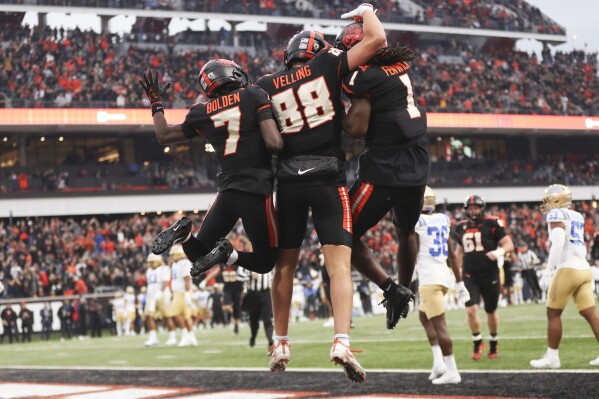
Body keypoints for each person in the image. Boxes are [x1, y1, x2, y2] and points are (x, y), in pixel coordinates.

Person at [255, 3, 386, 383]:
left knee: (285, 266)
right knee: (338, 266)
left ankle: (280, 341)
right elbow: (377, 39)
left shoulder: (265, 85)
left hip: (288, 184)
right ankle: (341, 341)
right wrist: (366, 11)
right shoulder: (329, 62)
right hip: (327, 178)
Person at [140, 60, 283, 277]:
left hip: (227, 192)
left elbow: (164, 135)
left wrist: (156, 102)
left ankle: (185, 234)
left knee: (199, 255)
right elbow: (274, 143)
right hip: (256, 189)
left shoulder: (201, 112)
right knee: (266, 262)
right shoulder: (254, 95)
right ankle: (227, 255)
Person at [337, 19, 430, 330]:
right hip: (417, 165)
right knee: (405, 231)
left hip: (385, 169)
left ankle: (392, 289)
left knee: (338, 231)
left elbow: (356, 128)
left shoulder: (363, 76)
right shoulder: (398, 66)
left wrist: (334, 109)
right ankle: (405, 287)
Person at [530, 184, 599, 368]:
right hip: (584, 268)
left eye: (548, 199)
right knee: (590, 313)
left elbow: (558, 242)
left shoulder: (556, 214)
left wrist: (548, 269)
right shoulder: (577, 215)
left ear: (557, 199)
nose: (546, 203)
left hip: (567, 268)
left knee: (553, 313)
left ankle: (552, 357)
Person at [414, 187, 470, 384]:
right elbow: (452, 254)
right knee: (423, 315)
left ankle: (452, 370)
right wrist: (459, 281)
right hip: (443, 277)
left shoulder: (418, 222)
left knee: (440, 326)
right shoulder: (442, 219)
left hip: (430, 279)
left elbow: (412, 253)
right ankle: (438, 361)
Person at [453, 195, 514, 360]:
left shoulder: (492, 223)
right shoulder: (460, 227)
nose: (474, 211)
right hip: (469, 274)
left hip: (490, 274)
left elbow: (509, 244)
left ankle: (493, 341)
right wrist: (457, 271)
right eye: (471, 208)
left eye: (476, 207)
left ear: (482, 208)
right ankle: (477, 341)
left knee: (490, 310)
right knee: (471, 309)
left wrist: (499, 251)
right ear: (466, 210)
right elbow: (459, 251)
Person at [165, 245, 197, 347]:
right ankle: (189, 336)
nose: (172, 257)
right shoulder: (175, 264)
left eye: (173, 255)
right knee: (184, 315)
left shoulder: (184, 263)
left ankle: (187, 335)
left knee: (179, 314)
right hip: (176, 293)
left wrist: (187, 294)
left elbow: (186, 279)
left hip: (183, 292)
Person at [144, 253, 170, 346]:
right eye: (150, 262)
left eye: (153, 261)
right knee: (148, 316)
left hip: (162, 295)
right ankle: (153, 337)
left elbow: (165, 282)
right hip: (151, 297)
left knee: (167, 316)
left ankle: (172, 336)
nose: (151, 264)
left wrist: (160, 292)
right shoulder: (148, 271)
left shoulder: (164, 269)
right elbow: (149, 285)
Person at [244, 271, 274, 352]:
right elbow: (240, 274)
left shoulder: (270, 261)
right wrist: (250, 275)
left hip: (266, 293)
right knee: (253, 320)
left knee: (267, 319)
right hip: (253, 294)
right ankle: (253, 336)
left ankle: (271, 341)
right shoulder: (250, 261)